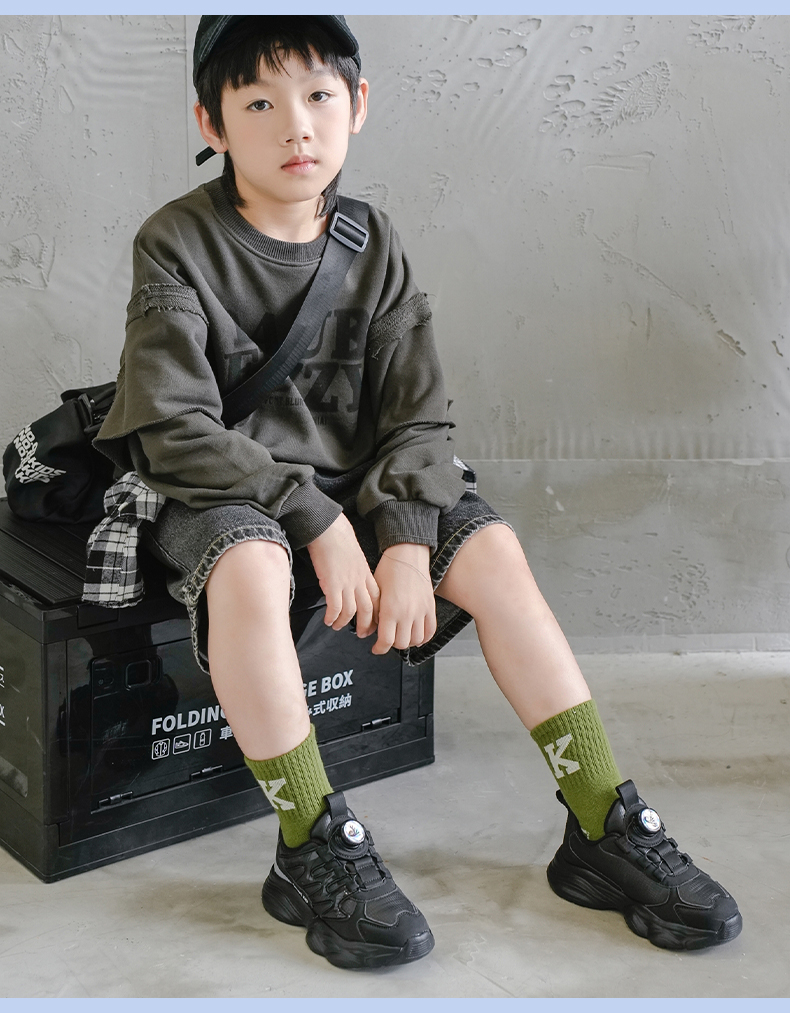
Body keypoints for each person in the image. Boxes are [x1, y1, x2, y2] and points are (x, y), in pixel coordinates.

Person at [90, 15, 741, 970]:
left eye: (319, 96)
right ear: (211, 123)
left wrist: (401, 537)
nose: (295, 126)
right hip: (224, 487)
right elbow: (173, 425)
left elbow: (419, 417)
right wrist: (314, 519)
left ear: (357, 105)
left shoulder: (372, 240)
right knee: (253, 567)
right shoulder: (178, 240)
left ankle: (603, 823)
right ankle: (310, 842)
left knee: (493, 552)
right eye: (258, 104)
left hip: (362, 485)